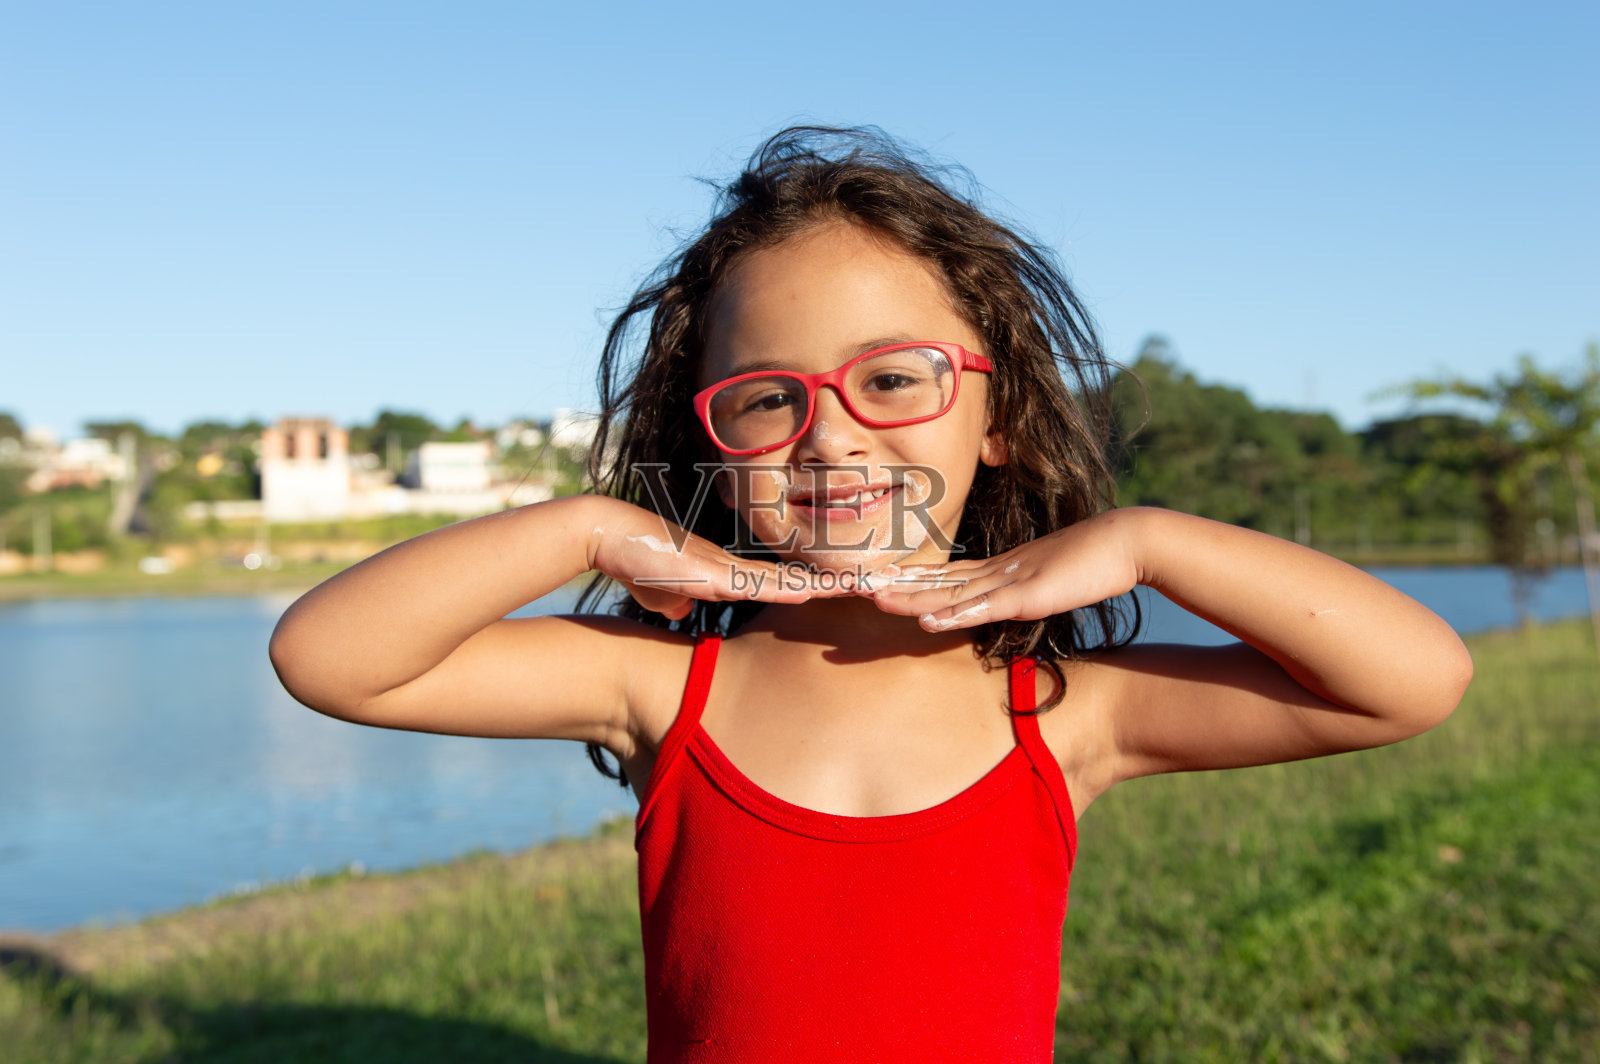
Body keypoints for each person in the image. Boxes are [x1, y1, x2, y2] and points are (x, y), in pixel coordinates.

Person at [269, 127, 1472, 1061]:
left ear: (997, 418)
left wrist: (1148, 540)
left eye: (894, 377)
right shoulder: (662, 684)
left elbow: (1414, 681)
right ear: (711, 446)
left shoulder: (1059, 710)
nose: (830, 439)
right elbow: (332, 657)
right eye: (763, 398)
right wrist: (595, 528)